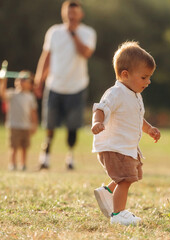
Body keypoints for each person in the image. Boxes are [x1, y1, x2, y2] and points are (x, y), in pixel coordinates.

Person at [91, 41, 161, 226]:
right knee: (125, 180)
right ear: (125, 74)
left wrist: (149, 129)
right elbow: (100, 109)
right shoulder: (116, 93)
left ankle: (107, 191)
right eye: (144, 77)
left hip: (127, 147)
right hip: (115, 147)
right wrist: (97, 122)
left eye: (149, 77)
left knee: (130, 175)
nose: (148, 82)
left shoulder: (135, 94)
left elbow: (138, 118)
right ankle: (118, 214)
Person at [34, 0, 97, 170]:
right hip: (54, 85)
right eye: (69, 14)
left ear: (81, 15)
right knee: (49, 125)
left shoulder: (87, 32)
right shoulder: (54, 32)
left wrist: (73, 34)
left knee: (73, 126)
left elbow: (86, 53)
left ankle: (70, 158)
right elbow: (46, 56)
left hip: (76, 86)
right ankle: (45, 157)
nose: (71, 17)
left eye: (75, 14)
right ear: (64, 14)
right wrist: (39, 79)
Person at [0, 71, 38, 171]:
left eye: (24, 79)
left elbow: (33, 112)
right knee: (13, 147)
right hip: (14, 125)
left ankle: (23, 164)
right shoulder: (12, 94)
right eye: (19, 79)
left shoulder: (30, 97)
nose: (21, 81)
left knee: (24, 147)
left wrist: (34, 125)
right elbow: (1, 94)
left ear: (30, 84)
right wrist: (3, 81)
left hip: (26, 126)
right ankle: (12, 164)